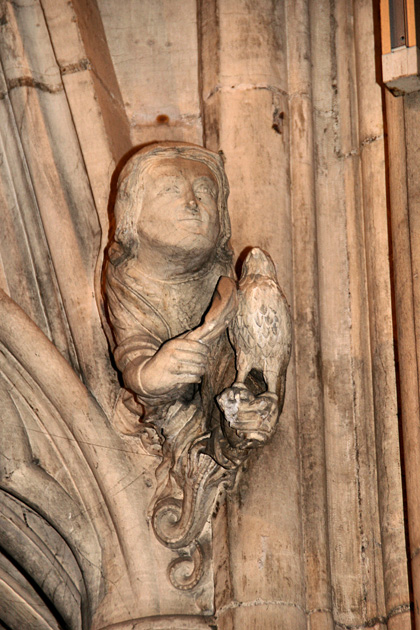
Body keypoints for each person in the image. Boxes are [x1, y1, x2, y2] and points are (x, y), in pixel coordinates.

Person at [104, 142, 236, 430]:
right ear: (131, 213)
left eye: (205, 192)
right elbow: (135, 347)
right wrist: (149, 376)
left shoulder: (226, 279)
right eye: (169, 190)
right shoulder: (128, 277)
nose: (192, 202)